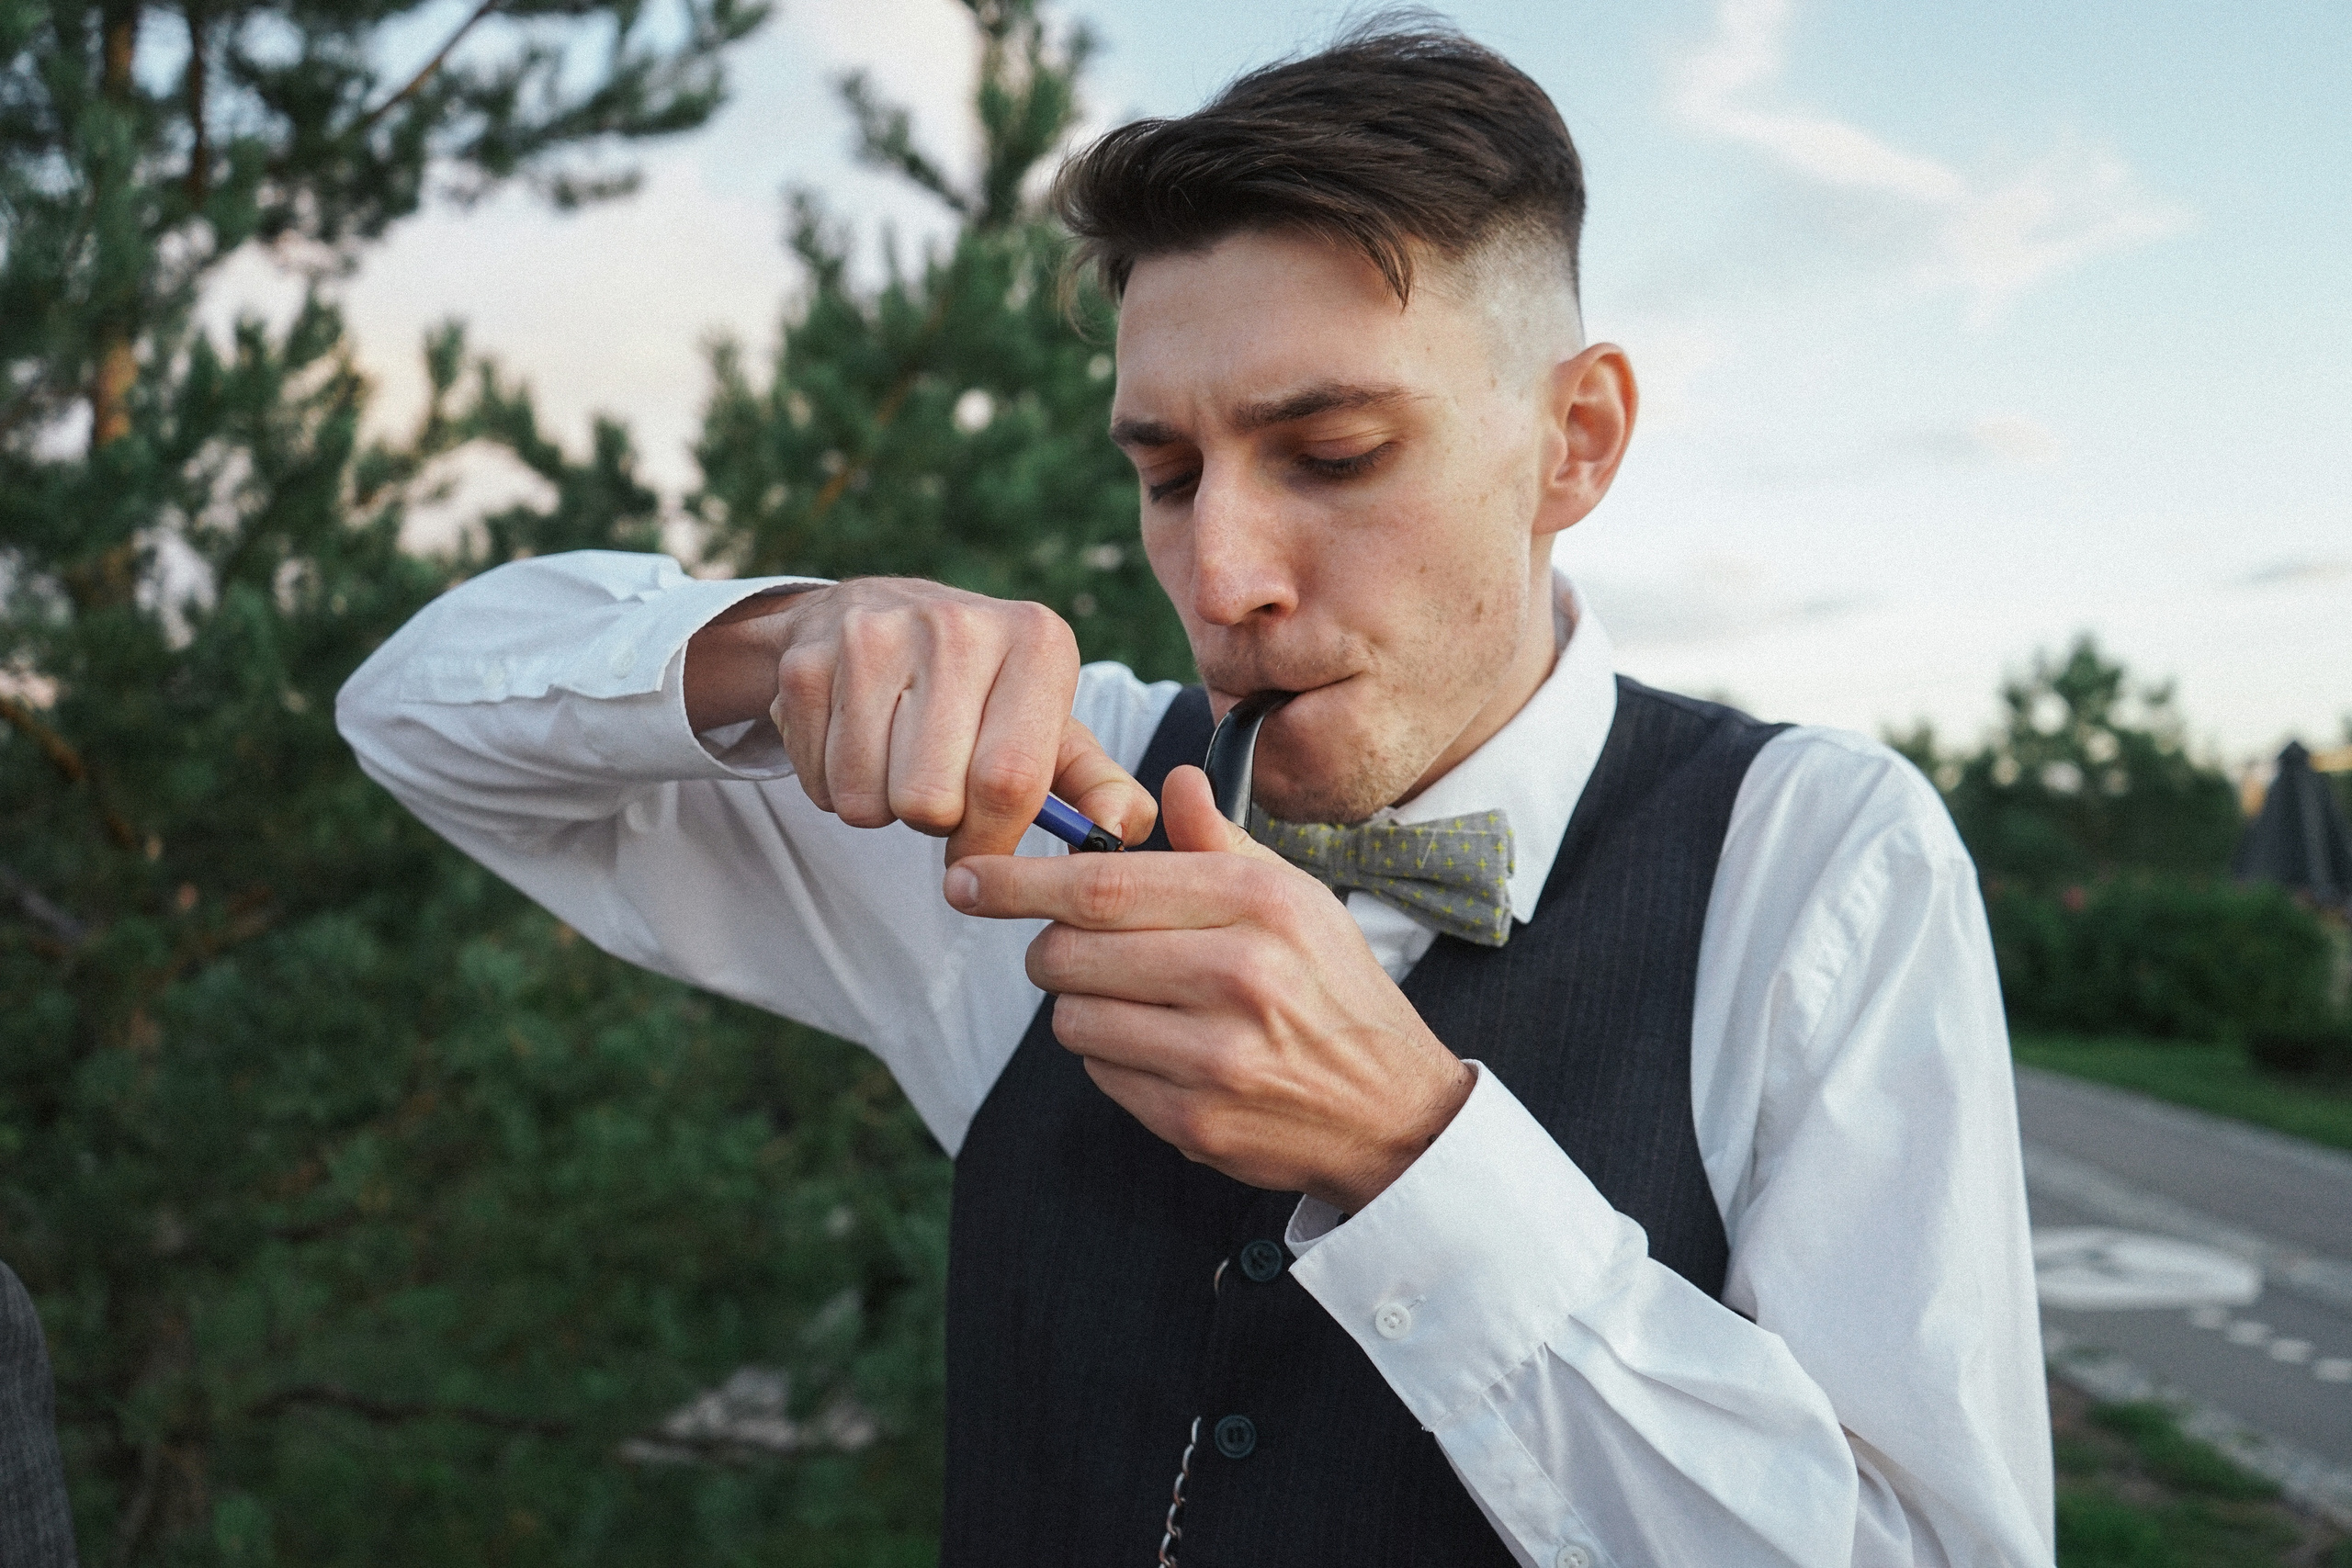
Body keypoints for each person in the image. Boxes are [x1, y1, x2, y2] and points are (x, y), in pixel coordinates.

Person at [338, 24, 2052, 1567]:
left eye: (1334, 455)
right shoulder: (1038, 788)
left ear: (1576, 439)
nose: (1221, 580)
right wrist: (782, 637)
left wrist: (1413, 1154)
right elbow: (414, 718)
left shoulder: (1818, 858)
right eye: (1166, 474)